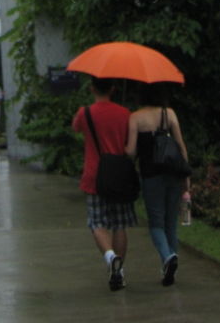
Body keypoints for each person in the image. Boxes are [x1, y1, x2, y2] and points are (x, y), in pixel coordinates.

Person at [72, 77, 136, 292]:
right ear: (113, 89)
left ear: (91, 88)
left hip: (94, 176)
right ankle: (119, 269)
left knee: (97, 223)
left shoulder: (85, 113)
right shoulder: (125, 113)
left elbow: (76, 128)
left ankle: (110, 258)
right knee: (119, 224)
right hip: (119, 176)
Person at [126, 82, 190, 287]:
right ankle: (170, 266)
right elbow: (181, 146)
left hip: (151, 175)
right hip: (174, 173)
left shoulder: (135, 118)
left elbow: (131, 152)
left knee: (156, 223)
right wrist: (186, 175)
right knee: (171, 223)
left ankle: (167, 257)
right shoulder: (169, 114)